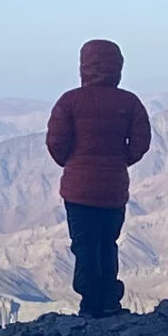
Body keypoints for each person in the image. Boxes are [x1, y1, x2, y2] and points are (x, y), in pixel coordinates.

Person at [44, 37, 151, 318]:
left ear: (84, 67)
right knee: (107, 242)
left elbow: (56, 143)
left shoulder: (70, 102)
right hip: (114, 190)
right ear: (118, 67)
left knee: (85, 246)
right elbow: (141, 143)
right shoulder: (129, 102)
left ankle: (90, 302)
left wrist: (73, 164)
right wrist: (119, 161)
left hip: (78, 192)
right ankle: (109, 300)